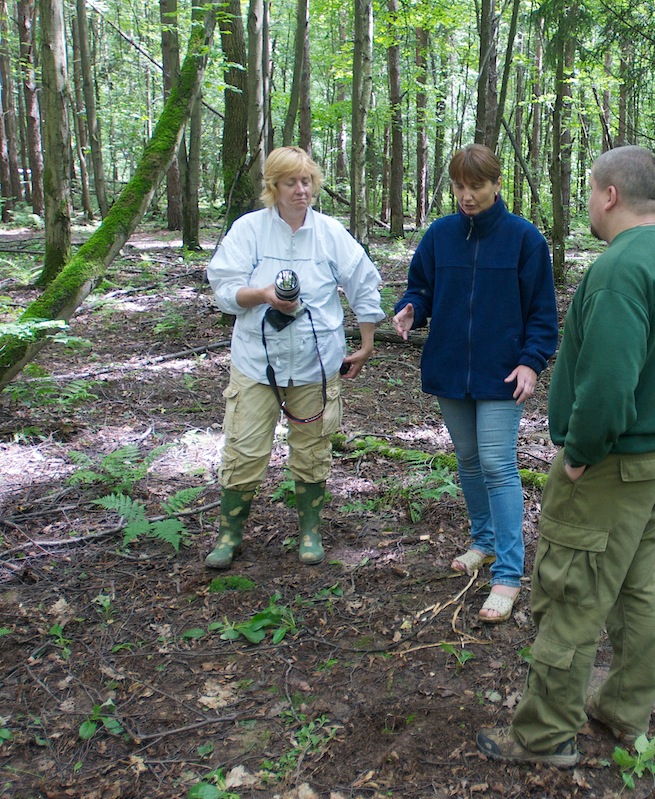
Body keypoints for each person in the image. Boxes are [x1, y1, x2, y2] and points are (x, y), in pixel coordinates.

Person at [476, 145, 655, 766]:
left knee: (572, 594)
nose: (586, 201)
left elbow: (608, 385)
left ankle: (544, 734)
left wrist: (579, 454)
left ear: (610, 195)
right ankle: (626, 710)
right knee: (634, 586)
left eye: (588, 190)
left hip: (612, 466)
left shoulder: (621, 269)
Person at [392, 144, 558, 624]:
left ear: (497, 184)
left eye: (477, 186)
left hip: (503, 373)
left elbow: (543, 314)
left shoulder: (524, 239)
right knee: (467, 460)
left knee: (497, 464)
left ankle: (508, 573)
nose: (467, 196)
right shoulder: (440, 235)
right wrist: (412, 308)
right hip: (449, 368)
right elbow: (421, 287)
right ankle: (483, 542)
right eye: (459, 186)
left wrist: (531, 363)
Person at [205, 146, 384, 569]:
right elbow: (224, 290)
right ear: (273, 186)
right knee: (244, 450)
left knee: (313, 449)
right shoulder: (249, 230)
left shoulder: (330, 233)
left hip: (315, 365)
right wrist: (264, 295)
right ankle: (229, 536)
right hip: (256, 363)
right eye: (291, 182)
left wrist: (367, 342)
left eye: (306, 181)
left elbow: (363, 283)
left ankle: (310, 531)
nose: (301, 190)